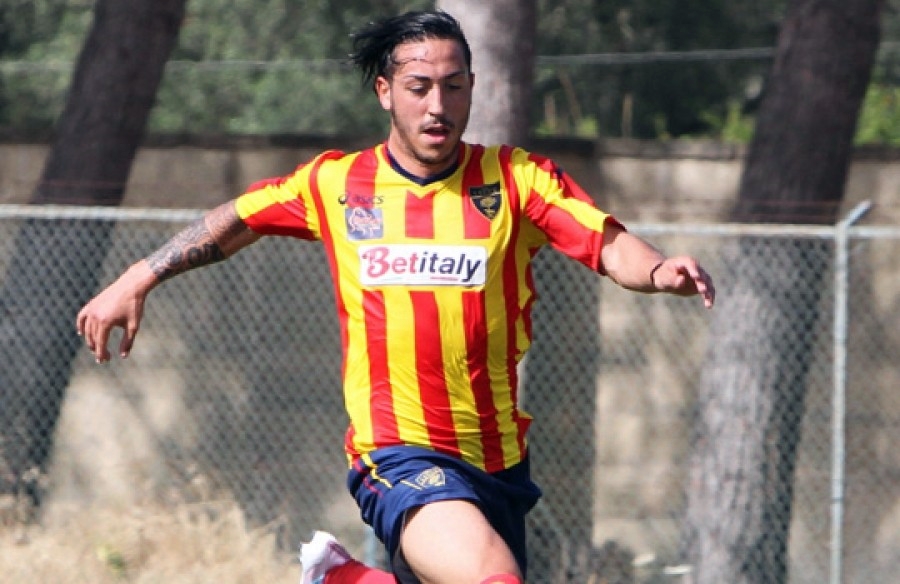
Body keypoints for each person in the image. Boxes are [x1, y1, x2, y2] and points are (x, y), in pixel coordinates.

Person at [77, 9, 715, 584]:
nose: (438, 105)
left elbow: (606, 242)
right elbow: (236, 220)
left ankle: (341, 579)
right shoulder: (336, 183)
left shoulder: (517, 180)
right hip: (397, 454)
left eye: (454, 86)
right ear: (386, 92)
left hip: (497, 461)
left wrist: (659, 272)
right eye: (419, 88)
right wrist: (138, 277)